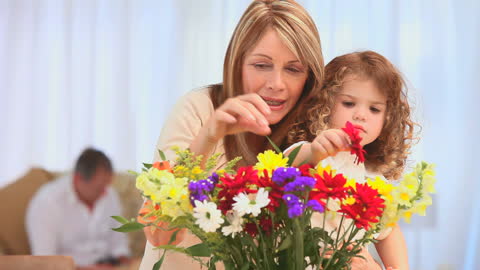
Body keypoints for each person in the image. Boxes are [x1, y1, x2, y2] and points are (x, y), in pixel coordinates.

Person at [140, 1, 380, 269]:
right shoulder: (197, 109)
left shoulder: (312, 135)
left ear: (309, 77)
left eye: (293, 69)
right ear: (237, 63)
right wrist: (209, 135)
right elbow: (160, 233)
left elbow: (337, 237)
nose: (276, 84)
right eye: (262, 65)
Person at [286, 50, 417, 270]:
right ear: (325, 103)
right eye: (349, 104)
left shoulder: (373, 180)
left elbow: (389, 231)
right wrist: (316, 153)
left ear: (387, 119)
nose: (360, 115)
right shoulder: (312, 152)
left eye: (374, 109)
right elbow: (289, 167)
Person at [26, 148, 130, 270]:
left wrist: (124, 260)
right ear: (77, 179)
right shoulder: (47, 203)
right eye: (98, 188)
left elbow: (119, 244)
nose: (104, 193)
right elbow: (44, 261)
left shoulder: (109, 194)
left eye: (106, 186)